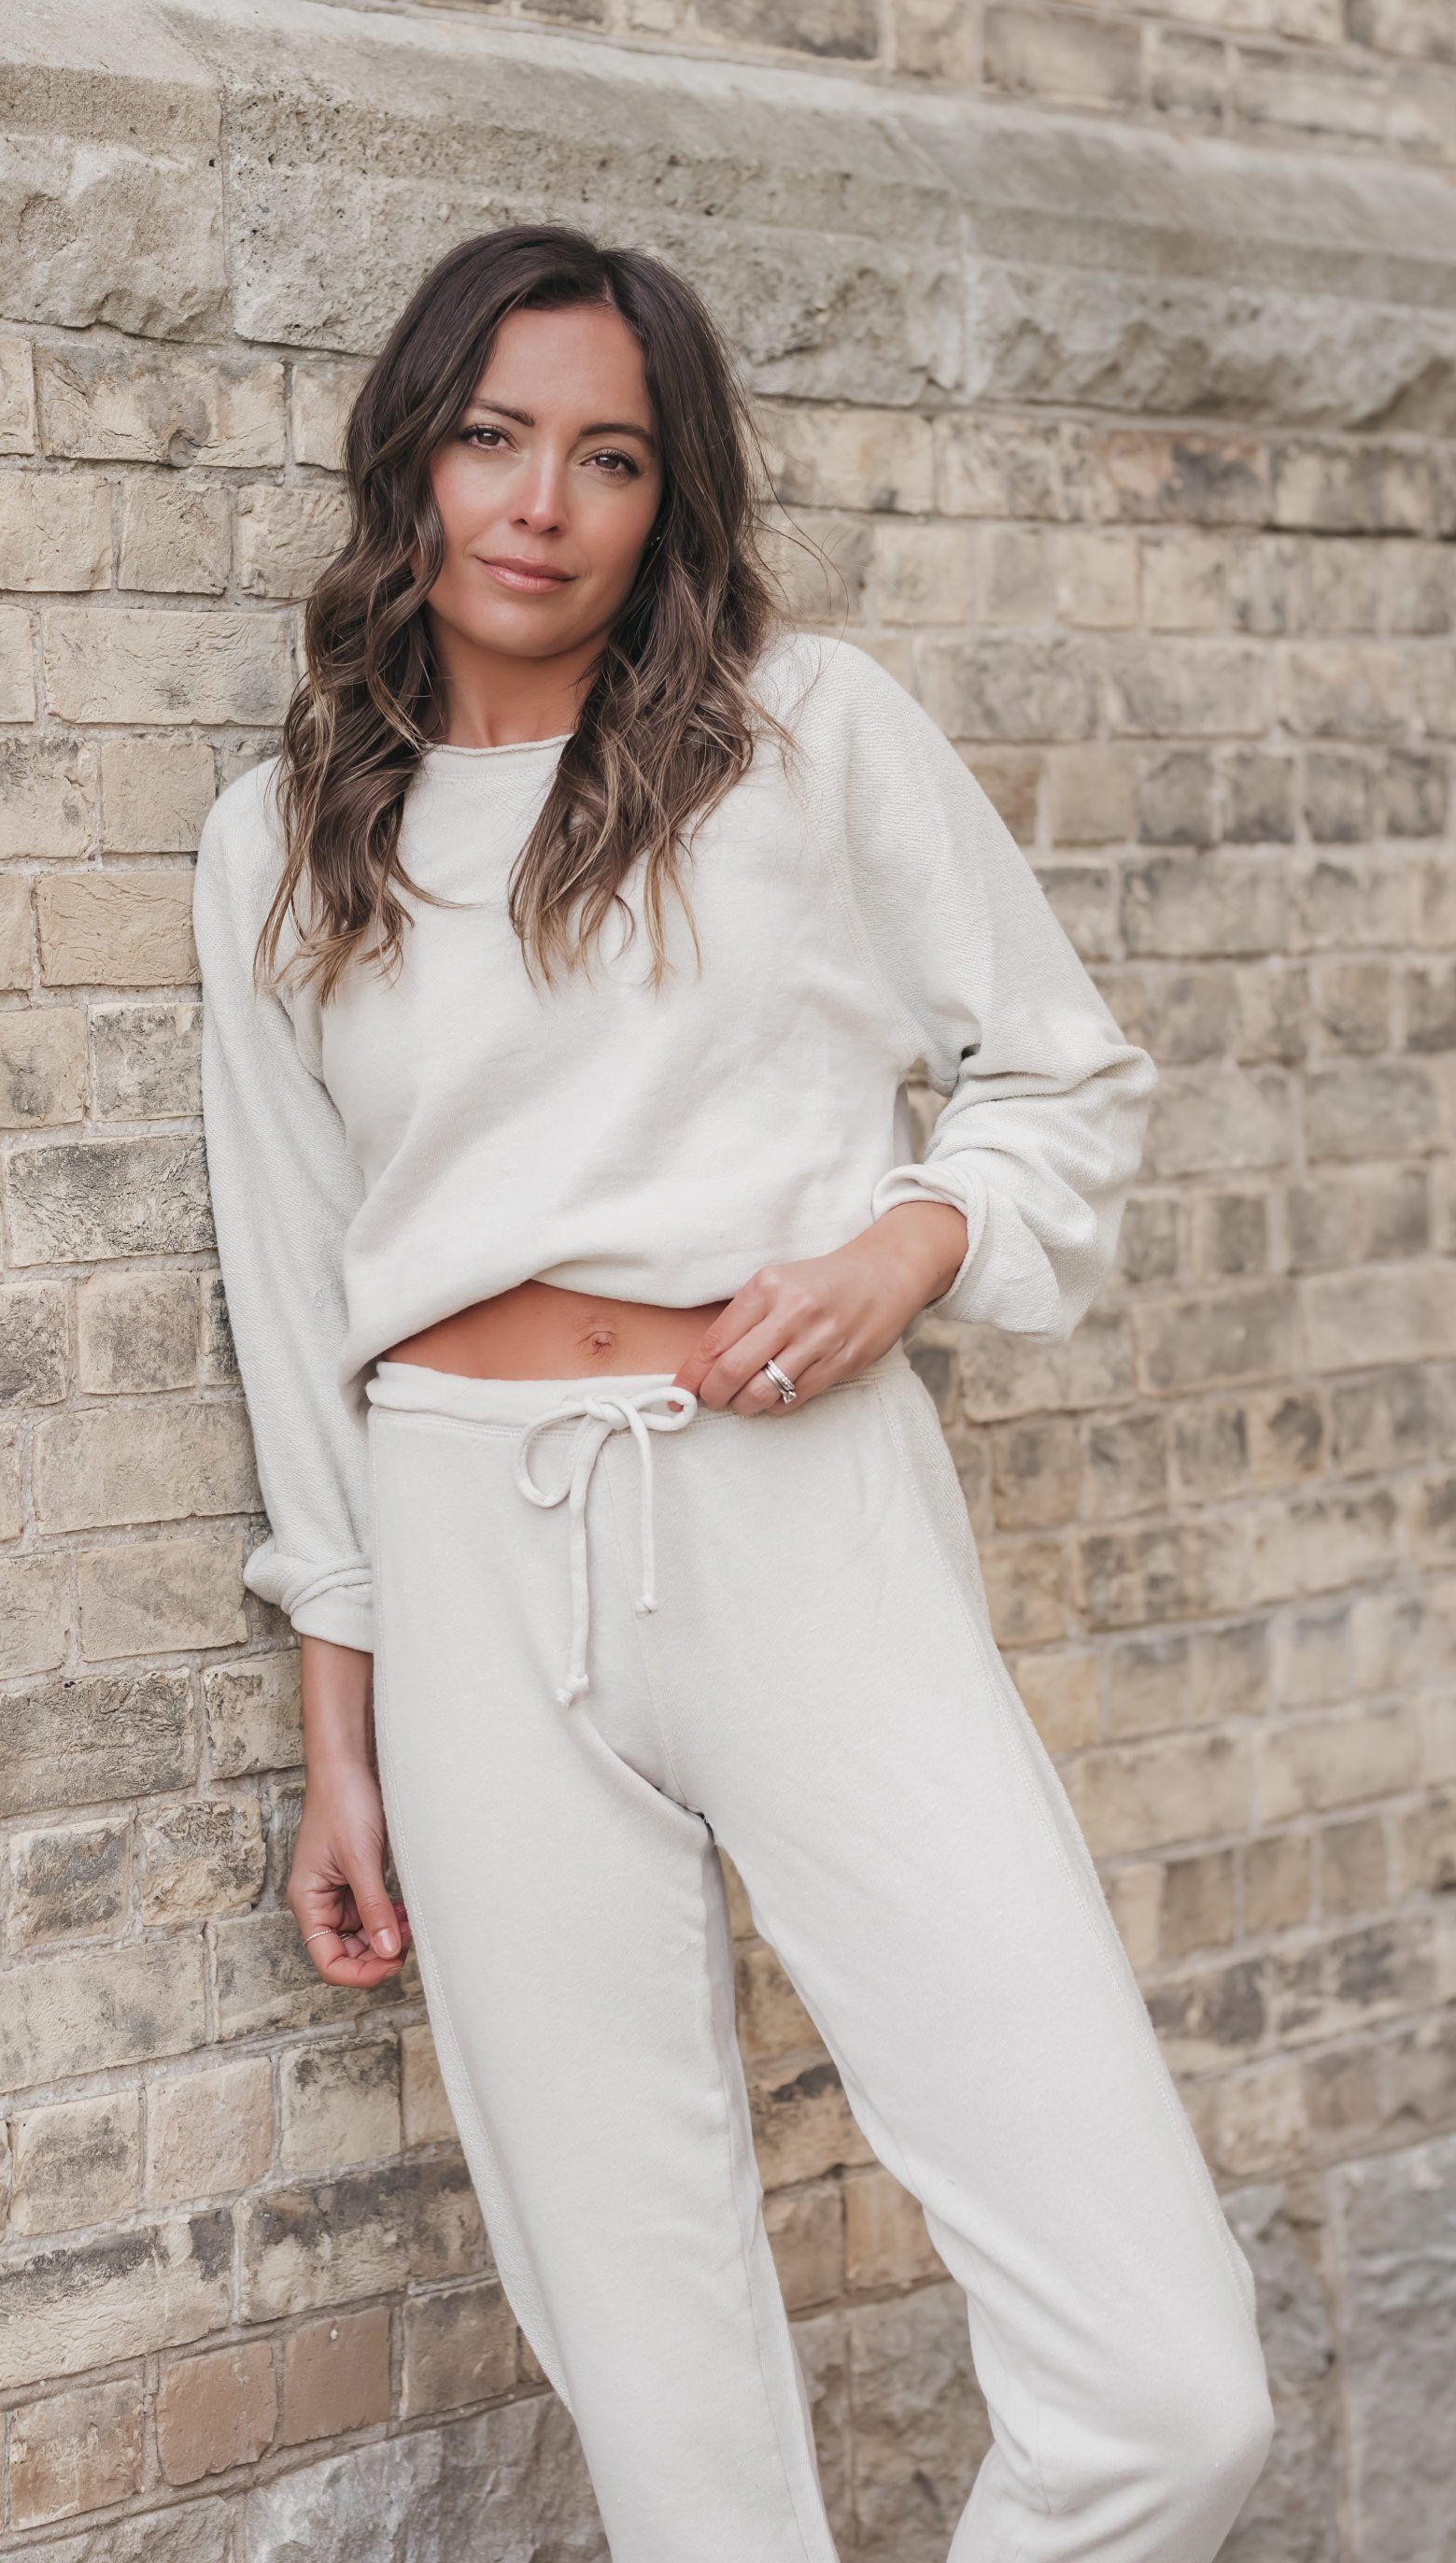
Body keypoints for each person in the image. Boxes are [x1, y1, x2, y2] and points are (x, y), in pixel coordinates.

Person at [192, 221, 1275, 2563]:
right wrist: (341, 1739)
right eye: (489, 438)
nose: (538, 502)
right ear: (412, 459)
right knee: (662, 2404)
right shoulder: (288, 837)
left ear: (667, 502)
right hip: (470, 1558)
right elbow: (298, 1297)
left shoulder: (806, 737)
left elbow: (1060, 1081)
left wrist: (911, 1242)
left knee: (1169, 2395)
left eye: (606, 456)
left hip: (797, 1514)